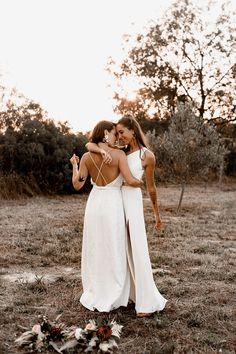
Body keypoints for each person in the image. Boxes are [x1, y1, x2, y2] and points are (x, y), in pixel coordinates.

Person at [87, 115, 167, 317]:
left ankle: (146, 302)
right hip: (116, 202)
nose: (120, 136)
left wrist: (157, 215)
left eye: (122, 132)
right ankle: (126, 293)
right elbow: (90, 144)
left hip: (132, 202)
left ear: (133, 130)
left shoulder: (146, 156)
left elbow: (151, 188)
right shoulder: (120, 152)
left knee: (137, 248)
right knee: (121, 249)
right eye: (118, 133)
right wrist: (100, 149)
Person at [70, 120, 143, 312]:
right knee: (114, 246)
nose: (117, 137)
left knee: (96, 246)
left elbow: (77, 185)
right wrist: (144, 182)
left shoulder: (86, 157)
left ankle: (97, 288)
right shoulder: (119, 155)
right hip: (113, 205)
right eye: (113, 133)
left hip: (95, 204)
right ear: (104, 134)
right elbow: (129, 180)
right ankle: (115, 290)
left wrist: (74, 166)